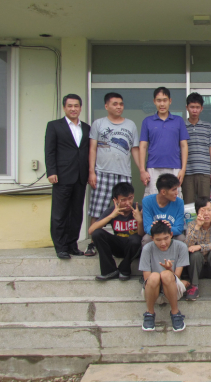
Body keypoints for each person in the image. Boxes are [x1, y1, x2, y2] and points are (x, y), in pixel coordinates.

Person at [85, 92, 141, 257]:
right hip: (102, 172)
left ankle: (127, 239)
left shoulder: (130, 125)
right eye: (115, 104)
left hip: (123, 173)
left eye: (121, 104)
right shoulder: (98, 124)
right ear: (106, 106)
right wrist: (91, 171)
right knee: (98, 209)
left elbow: (135, 149)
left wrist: (142, 169)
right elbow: (92, 148)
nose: (119, 107)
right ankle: (93, 243)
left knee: (126, 208)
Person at [45, 94, 90, 260]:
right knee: (60, 213)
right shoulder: (54, 126)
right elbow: (49, 151)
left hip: (80, 176)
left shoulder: (86, 128)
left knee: (76, 213)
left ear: (80, 108)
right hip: (62, 176)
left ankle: (72, 245)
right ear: (64, 107)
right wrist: (51, 171)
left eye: (76, 106)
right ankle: (61, 247)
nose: (73, 109)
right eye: (70, 106)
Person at [139, 87, 190, 197]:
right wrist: (142, 170)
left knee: (174, 198)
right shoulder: (147, 121)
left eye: (165, 100)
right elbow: (142, 146)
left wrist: (183, 169)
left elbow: (184, 146)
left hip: (174, 168)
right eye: (159, 100)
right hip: (153, 168)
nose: (162, 104)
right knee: (153, 199)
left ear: (170, 101)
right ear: (154, 101)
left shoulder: (178, 121)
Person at [88, 182, 143, 281]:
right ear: (116, 200)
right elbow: (91, 230)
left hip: (134, 248)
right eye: (123, 200)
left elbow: (142, 236)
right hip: (118, 246)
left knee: (135, 239)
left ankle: (124, 269)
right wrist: (111, 216)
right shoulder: (112, 210)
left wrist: (140, 221)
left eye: (130, 198)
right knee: (97, 233)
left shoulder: (139, 209)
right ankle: (109, 271)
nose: (128, 203)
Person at [140, 221, 189, 332]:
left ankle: (175, 312)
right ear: (152, 238)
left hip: (172, 289)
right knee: (154, 276)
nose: (163, 243)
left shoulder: (181, 246)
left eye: (166, 238)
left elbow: (177, 277)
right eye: (158, 240)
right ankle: (149, 313)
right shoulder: (147, 248)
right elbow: (147, 279)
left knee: (166, 274)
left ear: (171, 235)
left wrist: (169, 270)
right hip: (153, 290)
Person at [184, 196, 211, 301]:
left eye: (209, 210)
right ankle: (194, 286)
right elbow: (188, 245)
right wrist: (197, 227)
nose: (206, 213)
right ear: (197, 212)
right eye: (203, 210)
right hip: (197, 268)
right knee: (195, 255)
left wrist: (200, 246)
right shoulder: (192, 225)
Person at [183, 92, 211, 204]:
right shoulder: (181, 126)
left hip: (205, 172)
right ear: (187, 107)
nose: (194, 110)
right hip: (187, 172)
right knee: (188, 204)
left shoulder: (208, 126)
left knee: (205, 203)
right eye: (192, 107)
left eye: (197, 107)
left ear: (202, 108)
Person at [142, 173, 185, 247]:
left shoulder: (179, 202)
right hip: (155, 235)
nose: (177, 193)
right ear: (163, 192)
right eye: (174, 190)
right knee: (146, 239)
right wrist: (162, 231)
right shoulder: (147, 201)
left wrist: (166, 230)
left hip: (172, 234)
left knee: (182, 238)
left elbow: (179, 228)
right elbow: (147, 227)